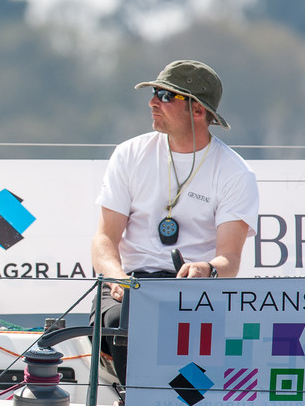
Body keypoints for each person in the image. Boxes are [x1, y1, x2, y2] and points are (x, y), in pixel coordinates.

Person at [91, 60, 259, 384]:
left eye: (165, 96)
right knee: (125, 320)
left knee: (196, 349)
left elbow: (229, 260)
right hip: (131, 285)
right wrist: (116, 278)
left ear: (197, 110)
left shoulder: (236, 173)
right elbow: (103, 240)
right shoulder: (129, 154)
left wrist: (205, 268)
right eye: (155, 92)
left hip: (190, 289)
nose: (152, 102)